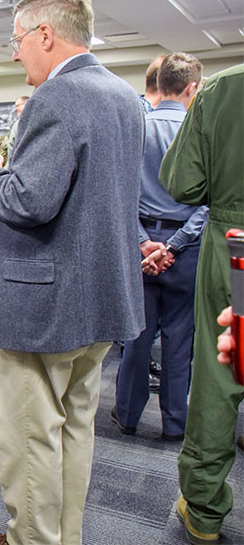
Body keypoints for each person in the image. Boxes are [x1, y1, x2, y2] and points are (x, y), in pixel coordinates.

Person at [0, 0, 145, 545]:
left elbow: (29, 201)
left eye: (17, 40)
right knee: (74, 431)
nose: (15, 52)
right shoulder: (121, 93)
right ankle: (60, 537)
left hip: (45, 303)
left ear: (46, 34)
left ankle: (31, 540)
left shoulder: (56, 98)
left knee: (30, 438)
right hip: (100, 295)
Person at [158, 63, 244, 545]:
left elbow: (182, 183)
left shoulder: (224, 88)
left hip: (237, 247)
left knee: (221, 373)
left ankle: (205, 509)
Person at [112, 53, 206, 442]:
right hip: (186, 250)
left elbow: (119, 193)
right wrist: (174, 244)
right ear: (191, 88)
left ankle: (128, 416)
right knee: (179, 344)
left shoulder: (137, 128)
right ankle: (174, 424)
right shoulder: (201, 132)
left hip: (140, 248)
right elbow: (209, 203)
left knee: (137, 338)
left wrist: (143, 242)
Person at [5, 96, 29, 163]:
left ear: (27, 104)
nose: (15, 109)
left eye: (18, 106)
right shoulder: (17, 124)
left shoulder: (20, 123)